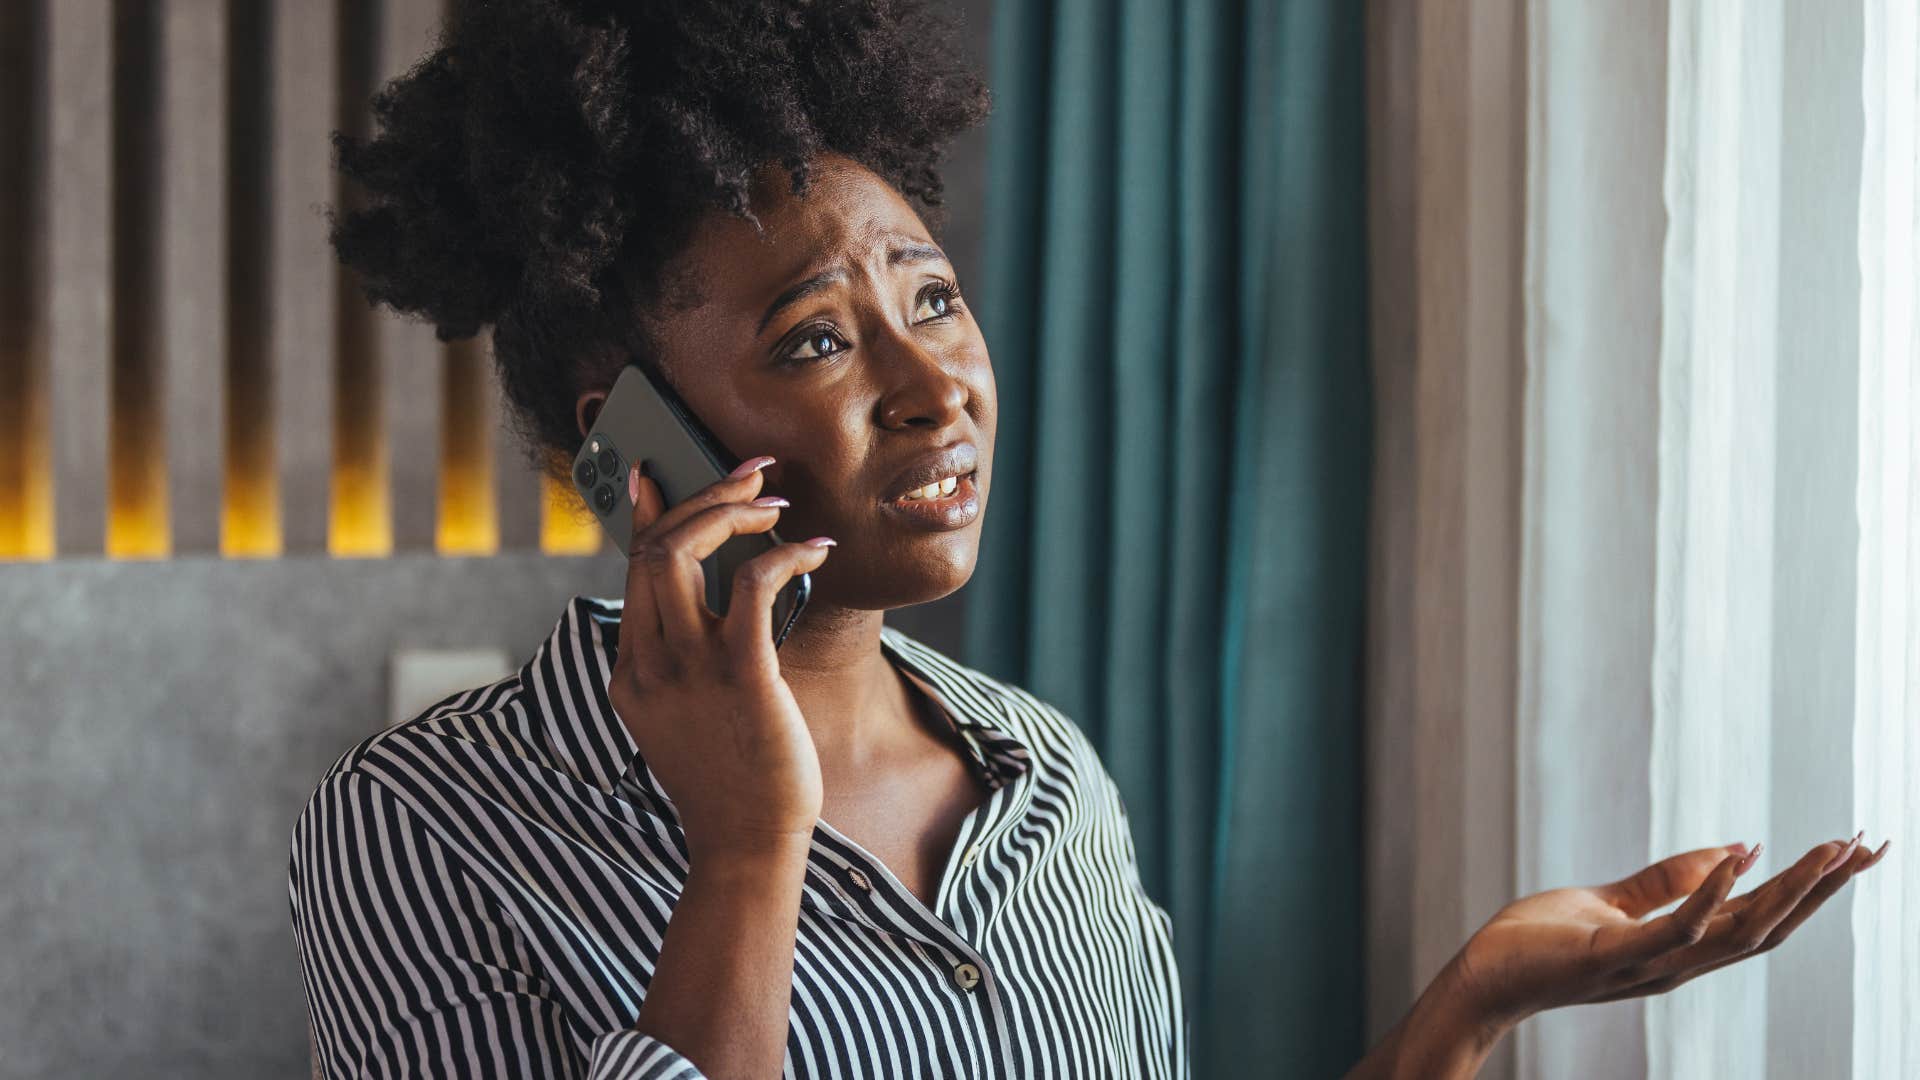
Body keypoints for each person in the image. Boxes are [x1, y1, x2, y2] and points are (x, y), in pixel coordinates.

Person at [287, 2, 1891, 1077]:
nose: (938, 389)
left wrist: (1472, 1004)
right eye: (816, 341)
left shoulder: (1044, 778)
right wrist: (746, 854)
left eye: (931, 298)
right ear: (622, 428)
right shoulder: (428, 831)